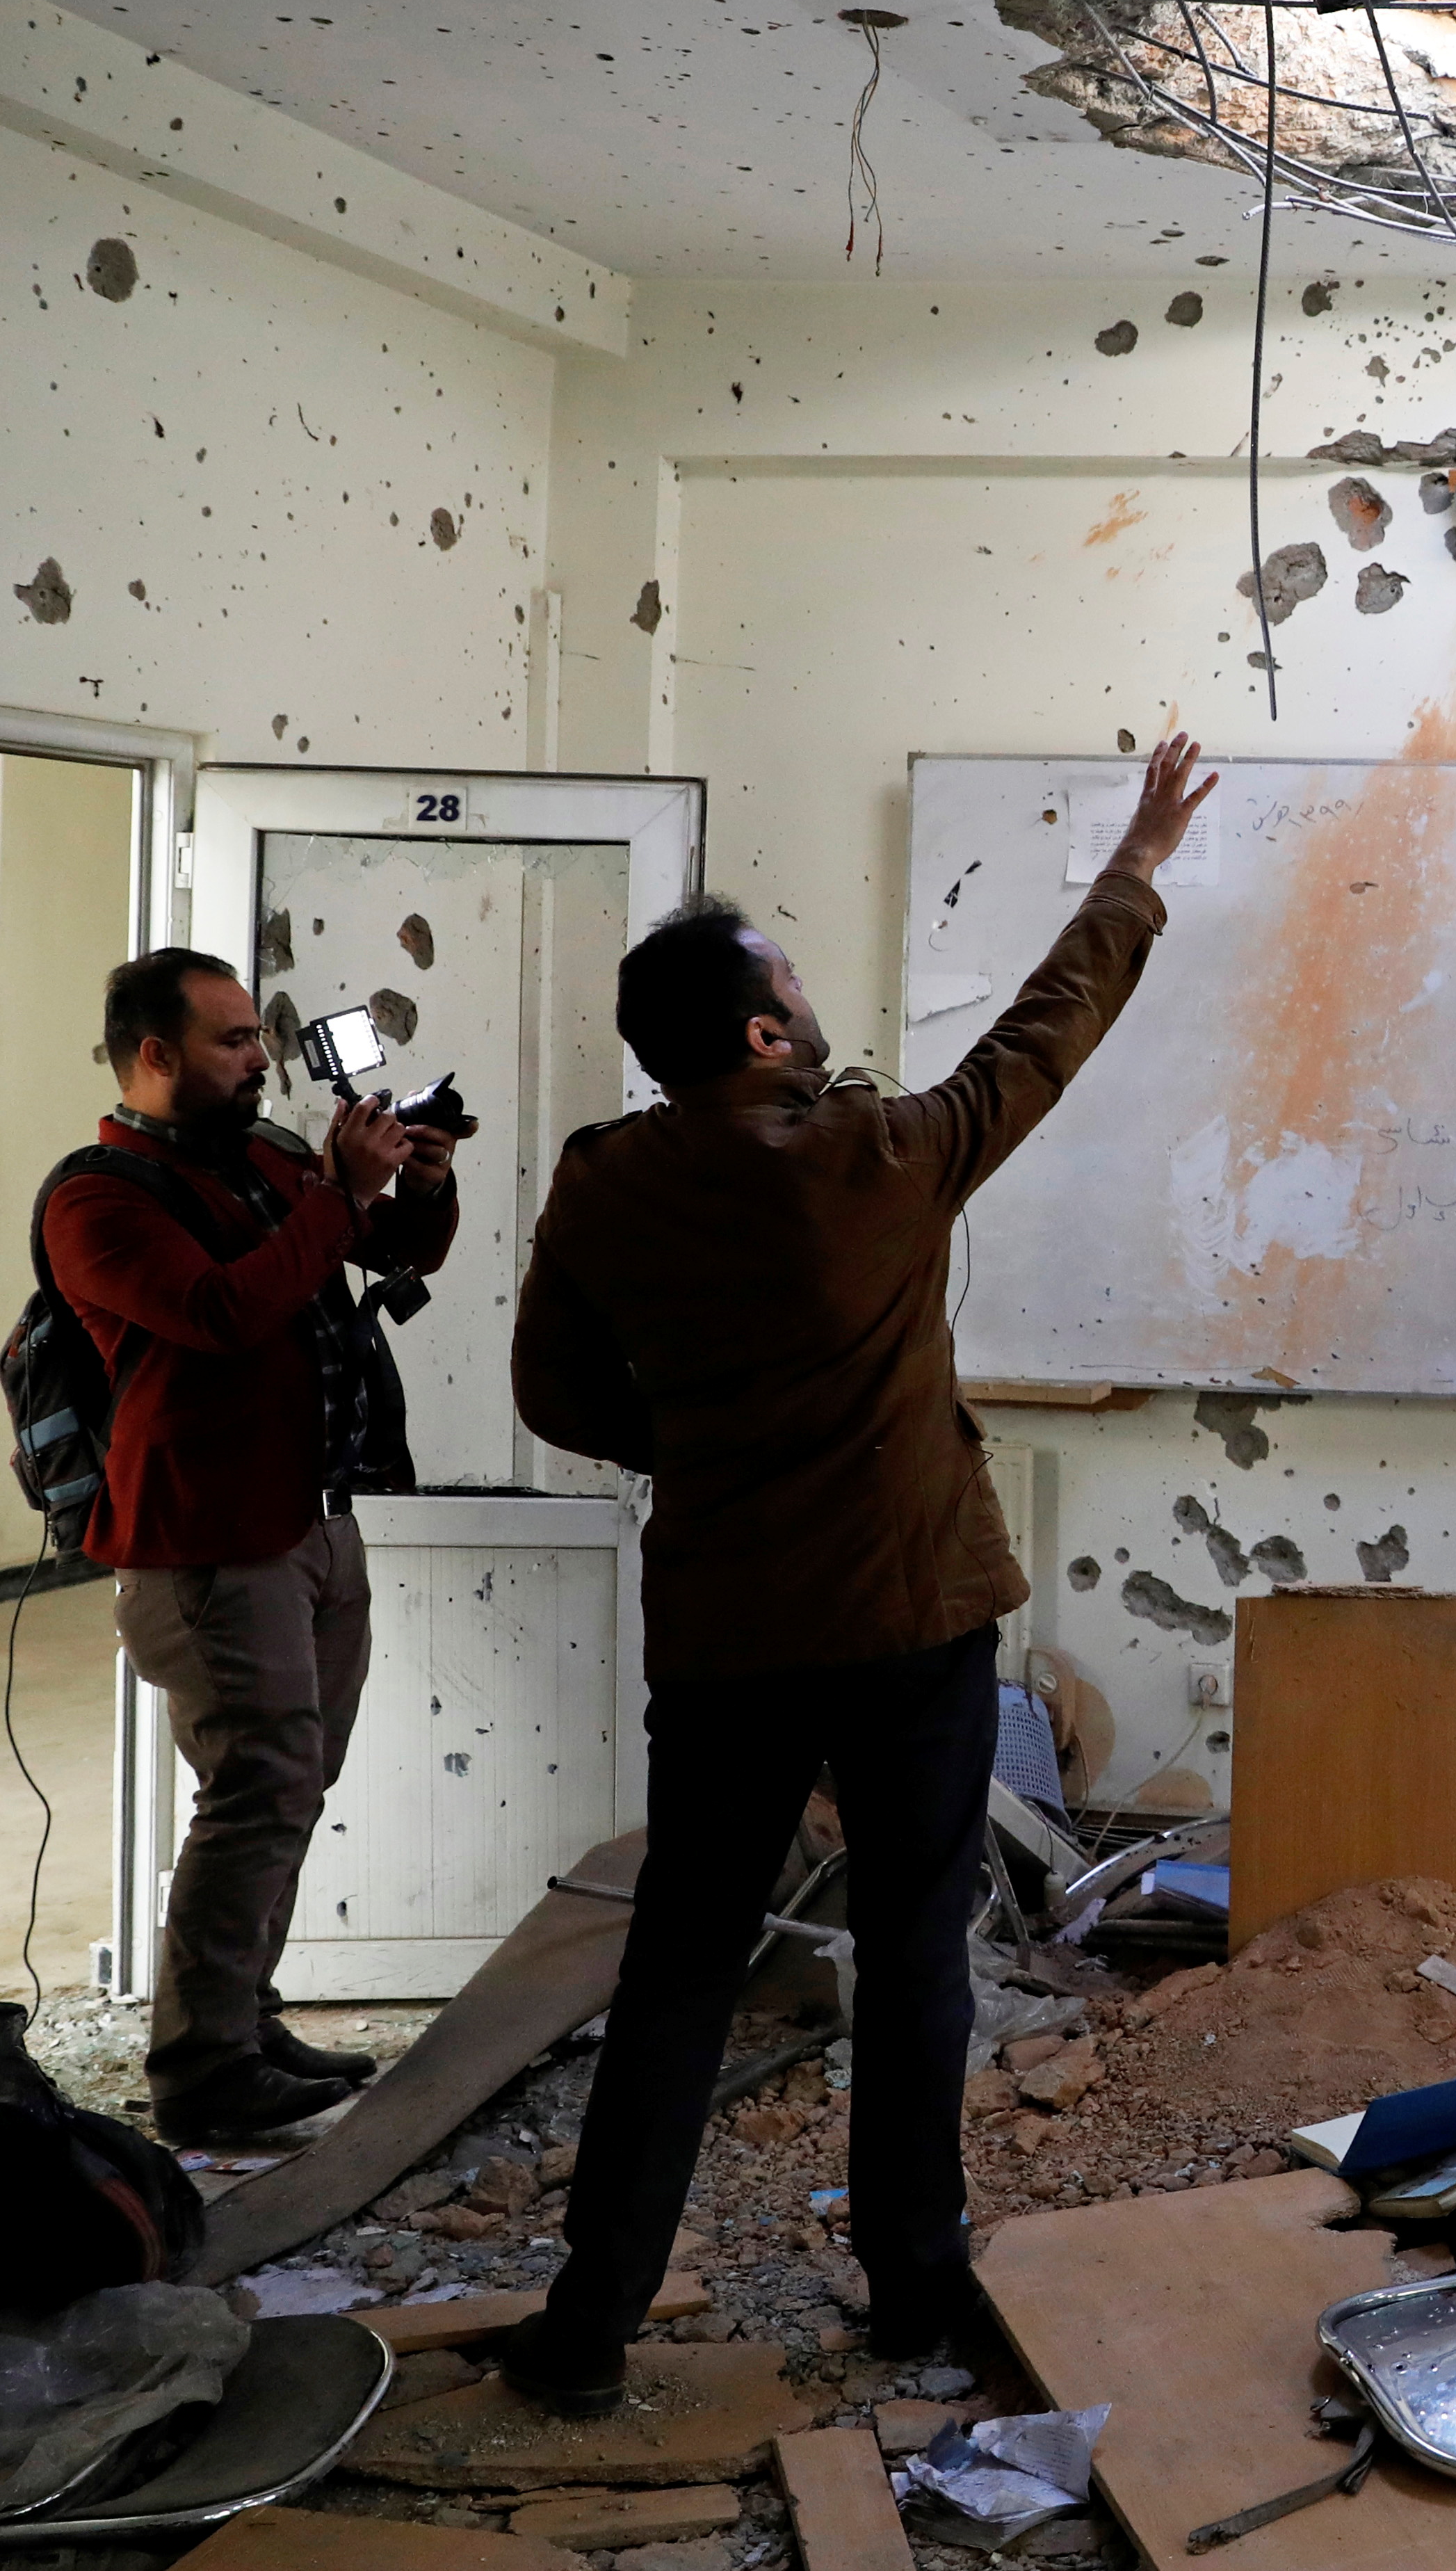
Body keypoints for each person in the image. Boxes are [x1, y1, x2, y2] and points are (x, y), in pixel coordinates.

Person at [496, 729, 1213, 2409]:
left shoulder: (606, 1185)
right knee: (913, 1954)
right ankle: (911, 2290)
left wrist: (691, 1442)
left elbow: (550, 1395)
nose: (815, 1004)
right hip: (907, 1628)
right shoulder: (877, 1158)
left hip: (727, 1634)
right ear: (763, 1032)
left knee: (679, 1969)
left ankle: (588, 2328)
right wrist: (1132, 873)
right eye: (795, 987)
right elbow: (1048, 1037)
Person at [42, 952, 462, 2143]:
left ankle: (245, 2019)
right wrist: (337, 1186)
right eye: (231, 1041)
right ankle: (202, 2072)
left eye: (255, 1038)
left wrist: (415, 1185)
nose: (259, 1058)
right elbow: (222, 1312)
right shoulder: (99, 1197)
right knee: (256, 1789)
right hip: (208, 1544)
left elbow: (394, 1254)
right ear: (155, 1056)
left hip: (317, 1522)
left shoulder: (271, 1160)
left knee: (292, 1786)